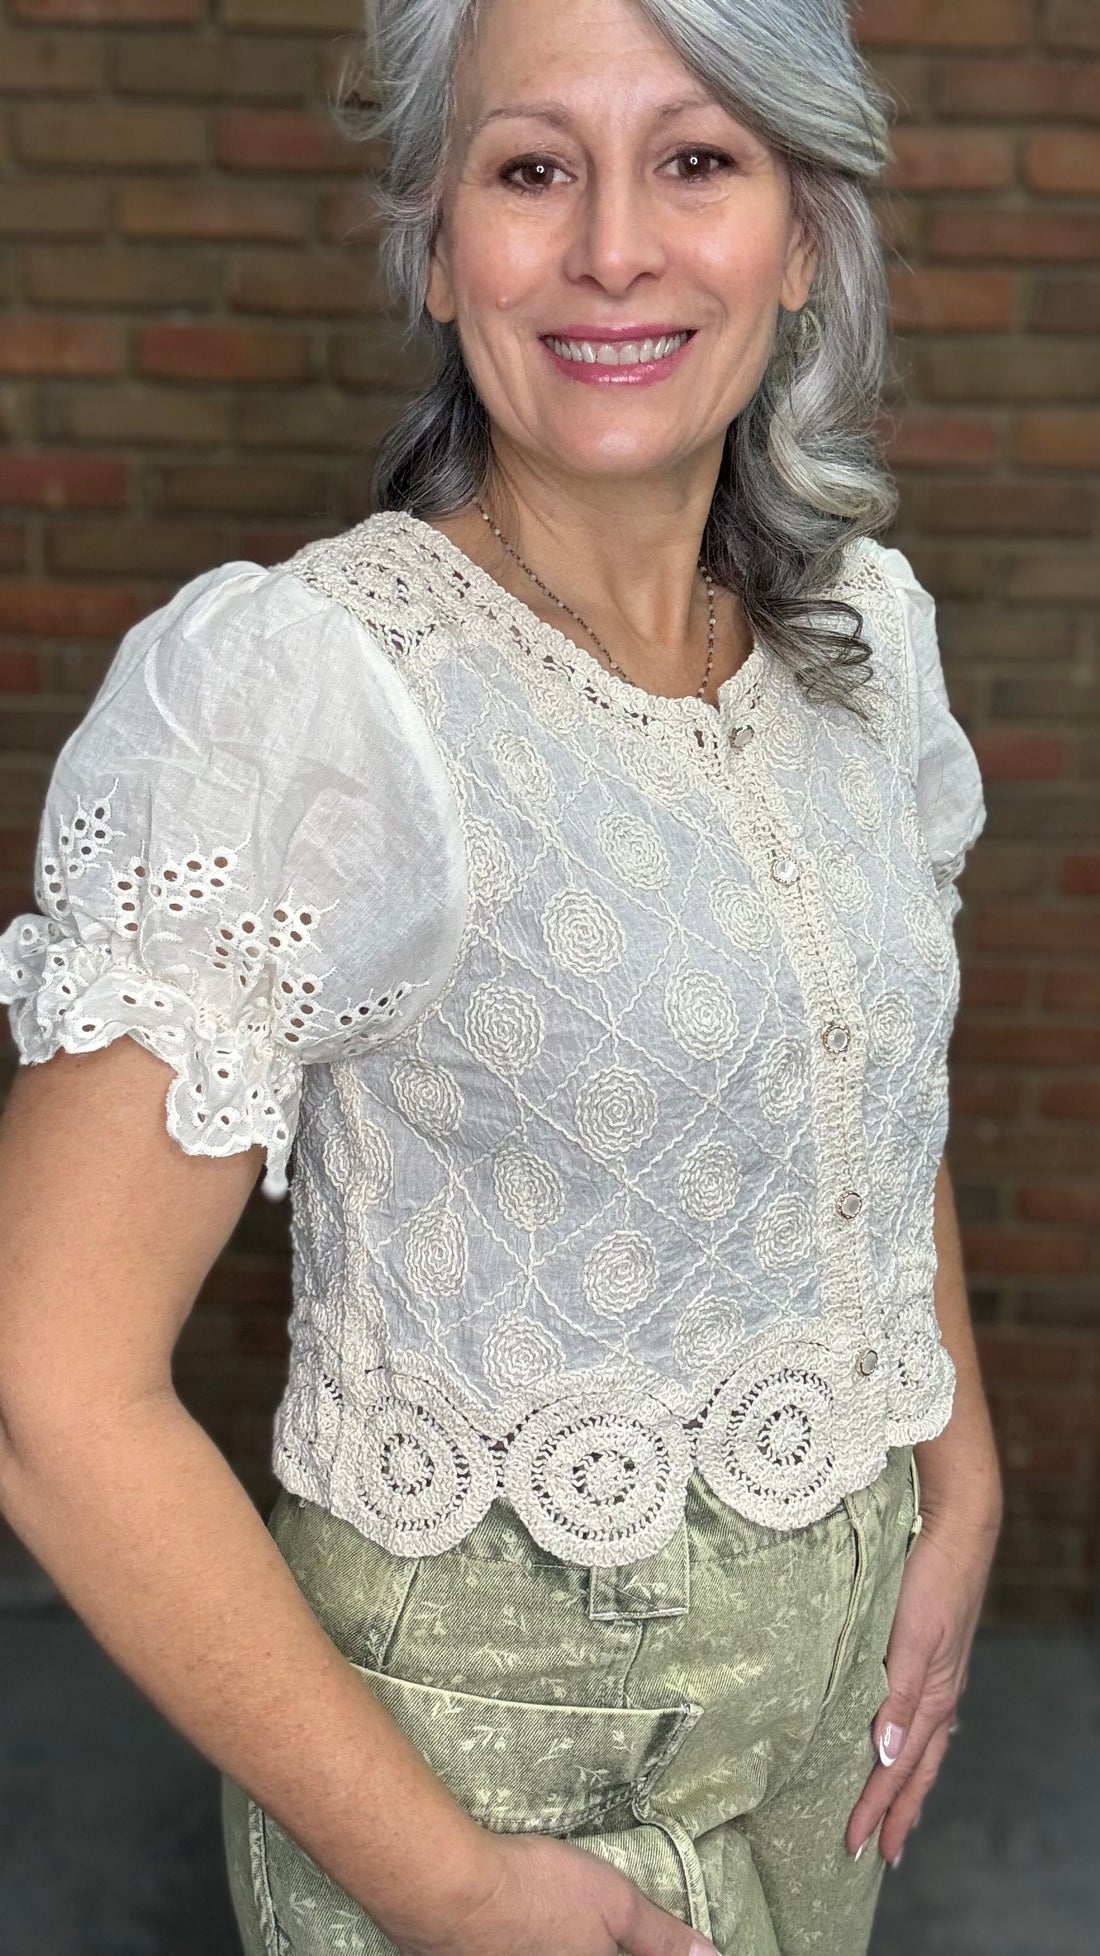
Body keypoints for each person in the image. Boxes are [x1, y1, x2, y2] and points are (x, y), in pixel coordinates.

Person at [0, 1, 1004, 1953]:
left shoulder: (866, 645)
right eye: (533, 167)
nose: (613, 243)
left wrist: (953, 1472)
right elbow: (44, 1389)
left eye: (696, 160)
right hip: (494, 1808)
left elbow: (869, 1094)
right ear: (436, 241)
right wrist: (444, 1888)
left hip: (832, 1759)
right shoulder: (306, 699)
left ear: (800, 232)